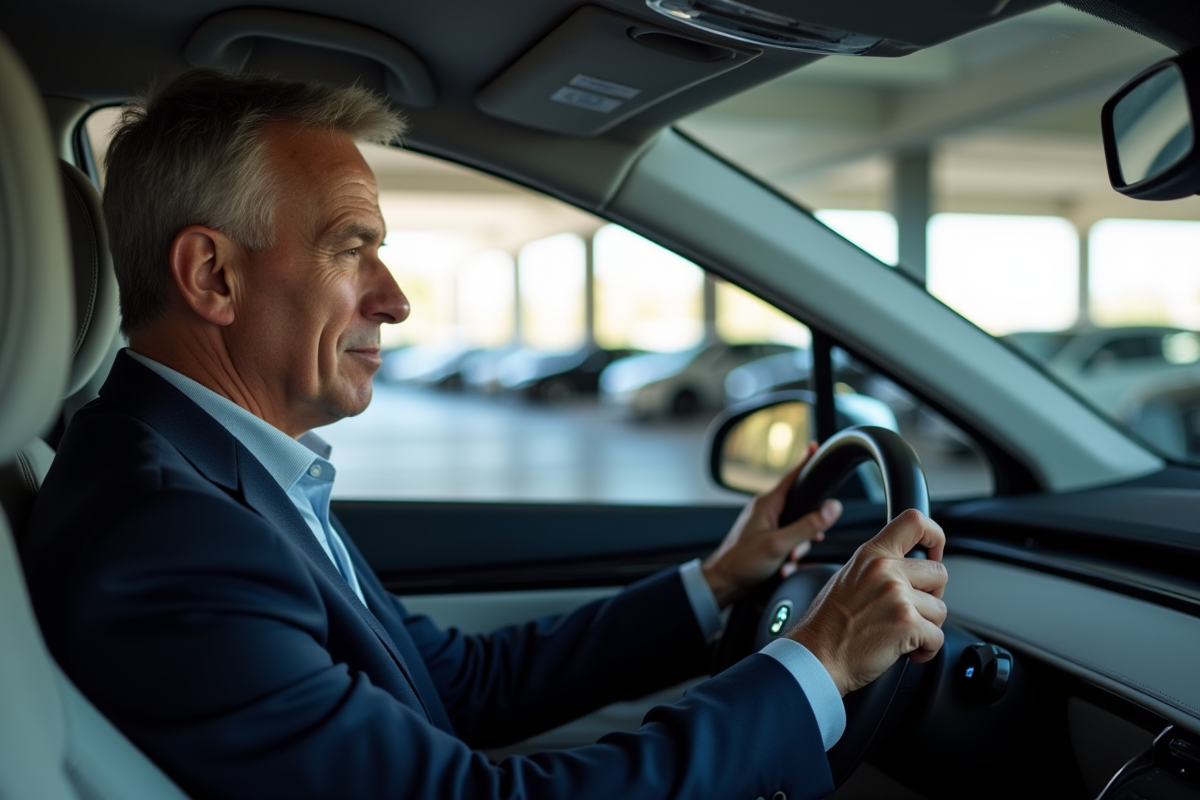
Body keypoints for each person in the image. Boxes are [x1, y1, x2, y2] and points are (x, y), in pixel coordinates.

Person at [21, 69, 948, 800]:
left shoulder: (211, 473)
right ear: (212, 276)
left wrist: (714, 584)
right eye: (352, 247)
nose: (394, 298)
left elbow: (453, 683)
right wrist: (816, 662)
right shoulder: (170, 537)